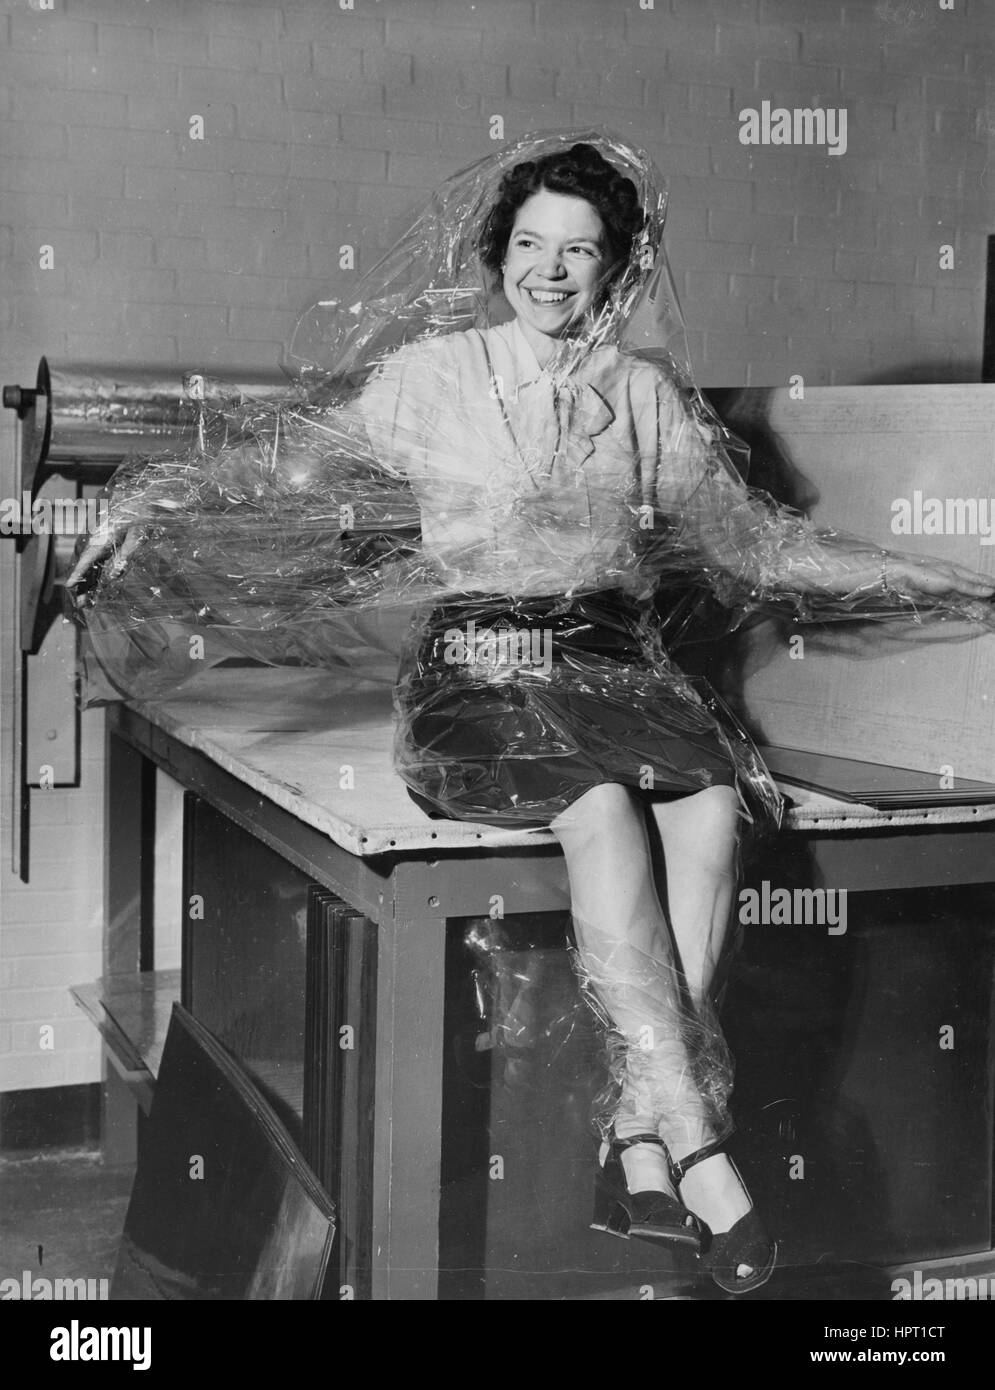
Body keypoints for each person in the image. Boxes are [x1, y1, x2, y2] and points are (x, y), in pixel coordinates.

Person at [68, 132, 995, 1296]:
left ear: (618, 268)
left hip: (614, 656)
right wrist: (135, 501)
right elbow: (274, 463)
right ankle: (691, 1141)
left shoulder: (644, 396)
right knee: (601, 810)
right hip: (483, 658)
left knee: (710, 805)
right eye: (527, 245)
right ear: (493, 252)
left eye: (579, 251)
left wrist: (935, 578)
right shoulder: (430, 377)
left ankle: (635, 1126)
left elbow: (753, 544)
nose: (548, 272)